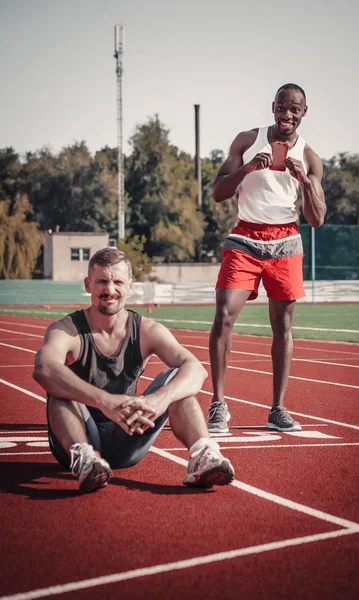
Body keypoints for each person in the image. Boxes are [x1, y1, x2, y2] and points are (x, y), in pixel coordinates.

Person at [33, 247, 234, 493]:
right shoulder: (67, 329)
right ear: (88, 285)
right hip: (77, 436)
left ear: (130, 286)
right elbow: (43, 368)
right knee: (59, 385)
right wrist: (104, 401)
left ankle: (204, 454)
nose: (109, 290)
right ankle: (85, 459)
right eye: (101, 282)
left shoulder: (146, 330)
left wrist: (160, 399)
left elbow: (196, 369)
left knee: (177, 380)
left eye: (117, 282)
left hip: (128, 432)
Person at [207, 83, 326, 434]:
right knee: (224, 314)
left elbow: (317, 218)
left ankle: (277, 409)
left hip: (285, 241)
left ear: (303, 113)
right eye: (282, 107)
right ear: (273, 107)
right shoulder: (247, 140)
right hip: (245, 236)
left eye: (295, 109)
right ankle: (218, 405)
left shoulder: (311, 157)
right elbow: (217, 193)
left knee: (284, 327)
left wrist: (305, 182)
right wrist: (248, 169)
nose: (286, 114)